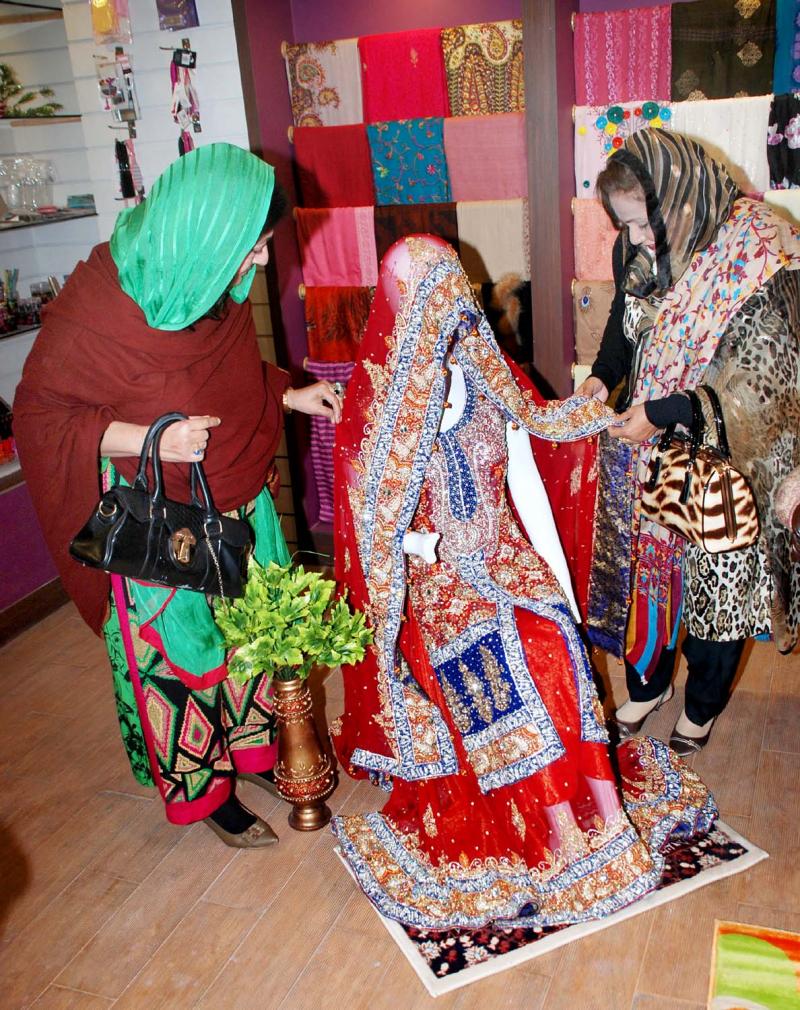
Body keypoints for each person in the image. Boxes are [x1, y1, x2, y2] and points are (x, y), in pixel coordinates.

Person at [330, 234, 716, 930]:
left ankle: (595, 818)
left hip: (505, 556)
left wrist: (555, 582)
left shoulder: (486, 378)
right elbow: (369, 530)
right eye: (435, 300)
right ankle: (554, 832)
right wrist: (423, 545)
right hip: (436, 581)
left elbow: (531, 468)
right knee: (513, 658)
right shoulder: (382, 409)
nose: (453, 313)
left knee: (554, 640)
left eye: (455, 296)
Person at [13, 143, 343, 847]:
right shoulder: (99, 309)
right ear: (207, 235)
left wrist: (289, 393)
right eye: (253, 248)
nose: (261, 263)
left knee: (250, 643)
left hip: (240, 503)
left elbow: (228, 377)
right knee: (184, 660)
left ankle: (253, 754)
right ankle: (205, 792)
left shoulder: (206, 282)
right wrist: (149, 440)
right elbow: (40, 418)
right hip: (165, 526)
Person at [577, 130, 800, 756]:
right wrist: (601, 378)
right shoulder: (638, 246)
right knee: (648, 576)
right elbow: (624, 325)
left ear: (681, 198)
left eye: (643, 224)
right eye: (625, 227)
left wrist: (670, 411)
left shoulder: (761, 249)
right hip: (650, 442)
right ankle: (648, 686)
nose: (637, 240)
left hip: (731, 455)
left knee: (716, 584)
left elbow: (766, 382)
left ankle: (701, 704)